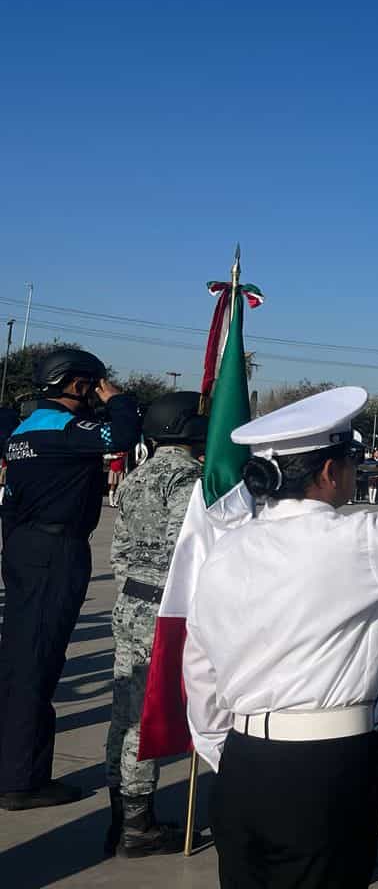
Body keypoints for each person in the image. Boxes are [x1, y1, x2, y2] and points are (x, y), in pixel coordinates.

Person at [182, 387, 378, 887]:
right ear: (328, 472)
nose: (355, 470)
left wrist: (224, 748)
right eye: (349, 460)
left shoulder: (227, 548)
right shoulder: (356, 538)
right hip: (323, 765)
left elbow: (198, 665)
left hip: (241, 761)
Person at [0, 348, 140, 811]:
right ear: (79, 385)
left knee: (25, 661)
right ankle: (20, 780)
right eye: (93, 386)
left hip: (25, 547)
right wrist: (118, 399)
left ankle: (19, 771)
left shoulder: (25, 429)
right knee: (36, 666)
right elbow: (123, 434)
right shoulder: (66, 429)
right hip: (54, 552)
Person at [102, 391, 208, 857]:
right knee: (144, 717)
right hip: (163, 609)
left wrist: (136, 591)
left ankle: (118, 816)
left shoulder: (136, 476)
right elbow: (183, 551)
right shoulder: (187, 478)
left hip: (130, 603)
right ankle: (138, 825)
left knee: (124, 713)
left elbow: (119, 552)